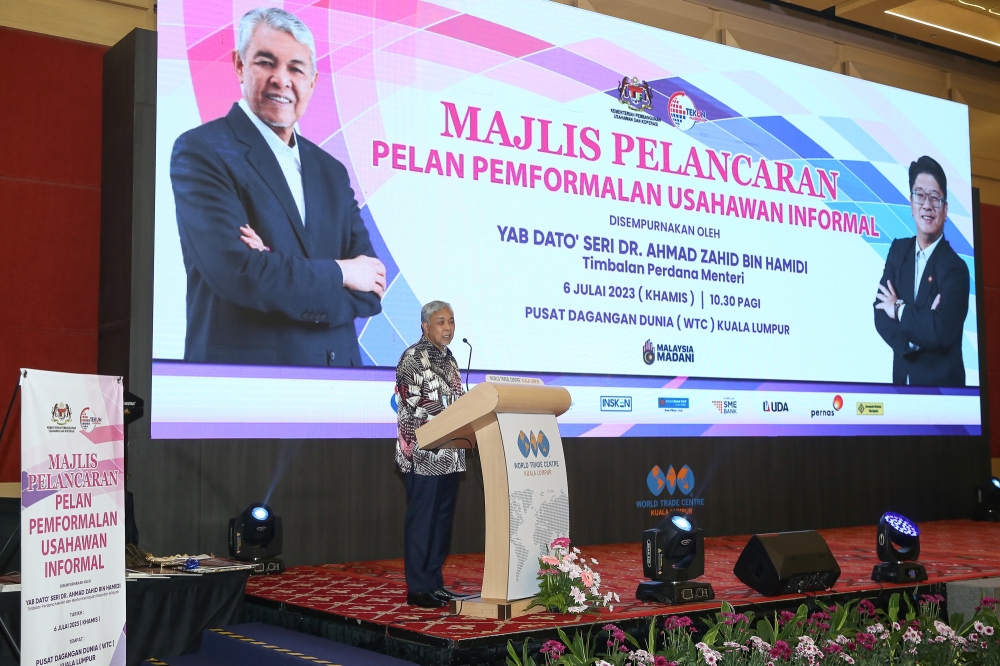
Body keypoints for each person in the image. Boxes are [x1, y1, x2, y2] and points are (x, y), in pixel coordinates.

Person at [170, 7, 386, 367]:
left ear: (313, 81)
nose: (281, 79)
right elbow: (240, 274)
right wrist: (343, 273)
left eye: (295, 69)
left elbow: (373, 290)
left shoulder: (330, 171)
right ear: (239, 64)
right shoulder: (204, 150)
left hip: (341, 386)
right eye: (266, 62)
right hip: (247, 390)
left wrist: (273, 265)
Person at [874, 155, 969, 386]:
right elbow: (879, 314)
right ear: (911, 204)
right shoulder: (898, 251)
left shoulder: (956, 268)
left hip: (943, 397)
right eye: (920, 195)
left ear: (945, 210)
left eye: (935, 198)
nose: (927, 205)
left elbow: (939, 330)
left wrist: (898, 308)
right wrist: (915, 338)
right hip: (901, 392)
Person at [395, 301, 466, 608]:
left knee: (441, 522)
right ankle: (418, 587)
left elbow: (459, 398)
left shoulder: (450, 359)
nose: (448, 327)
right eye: (441, 322)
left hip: (450, 454)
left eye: (451, 321)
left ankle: (435, 582)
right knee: (422, 521)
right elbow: (411, 403)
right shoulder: (412, 357)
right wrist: (452, 410)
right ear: (425, 326)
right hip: (423, 454)